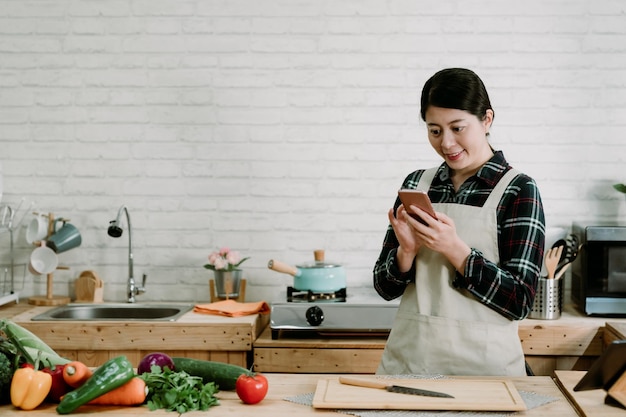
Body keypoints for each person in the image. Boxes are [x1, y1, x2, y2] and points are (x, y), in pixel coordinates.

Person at [373, 68, 545, 377]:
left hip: (486, 372)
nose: (447, 143)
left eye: (457, 127)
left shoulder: (519, 190)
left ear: (486, 120)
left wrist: (457, 252)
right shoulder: (417, 184)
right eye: (435, 130)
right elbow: (384, 288)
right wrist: (406, 253)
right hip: (412, 362)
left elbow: (519, 301)